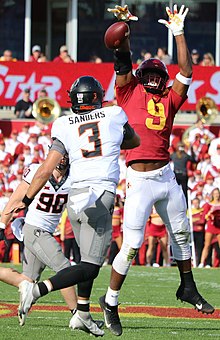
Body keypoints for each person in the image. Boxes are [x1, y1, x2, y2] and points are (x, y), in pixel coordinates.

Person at [97, 4, 214, 336]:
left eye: (156, 75)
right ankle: (111, 300)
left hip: (166, 177)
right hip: (139, 180)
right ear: (139, 77)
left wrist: (178, 33)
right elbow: (121, 58)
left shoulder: (170, 98)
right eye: (145, 73)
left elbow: (188, 71)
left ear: (162, 79)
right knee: (132, 244)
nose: (150, 78)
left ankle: (187, 287)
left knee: (182, 235)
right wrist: (123, 29)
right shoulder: (127, 90)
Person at [6, 75, 140, 336]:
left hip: (76, 198)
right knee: (90, 266)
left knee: (83, 262)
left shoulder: (64, 124)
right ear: (96, 97)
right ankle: (36, 289)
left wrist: (27, 199)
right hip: (100, 194)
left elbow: (45, 168)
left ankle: (82, 314)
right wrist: (110, 139)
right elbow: (134, 142)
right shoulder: (113, 114)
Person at [0, 154, 78, 326]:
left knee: (28, 280)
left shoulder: (74, 176)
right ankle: (78, 315)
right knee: (65, 269)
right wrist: (1, 224)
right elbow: (16, 198)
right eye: (60, 153)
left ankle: (27, 298)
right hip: (34, 229)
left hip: (47, 232)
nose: (62, 158)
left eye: (66, 154)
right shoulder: (37, 170)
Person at [198, 187, 220, 267]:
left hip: (219, 226)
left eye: (217, 193)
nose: (216, 195)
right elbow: (205, 217)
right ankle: (201, 262)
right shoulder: (208, 204)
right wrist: (210, 213)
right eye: (215, 194)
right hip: (211, 226)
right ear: (212, 195)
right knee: (207, 245)